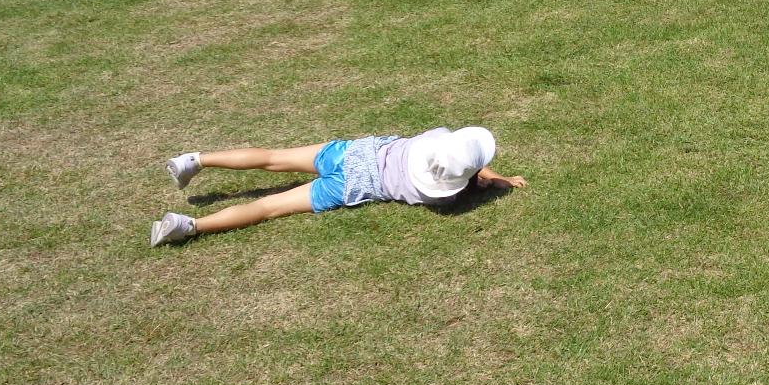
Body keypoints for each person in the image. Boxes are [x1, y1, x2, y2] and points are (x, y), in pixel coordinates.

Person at [150, 127, 525, 246]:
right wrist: (497, 182)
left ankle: (195, 160)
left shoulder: (432, 138)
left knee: (272, 157)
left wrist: (492, 174)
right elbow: (472, 172)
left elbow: (471, 160)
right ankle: (189, 226)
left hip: (349, 155)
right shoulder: (433, 195)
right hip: (355, 186)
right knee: (269, 207)